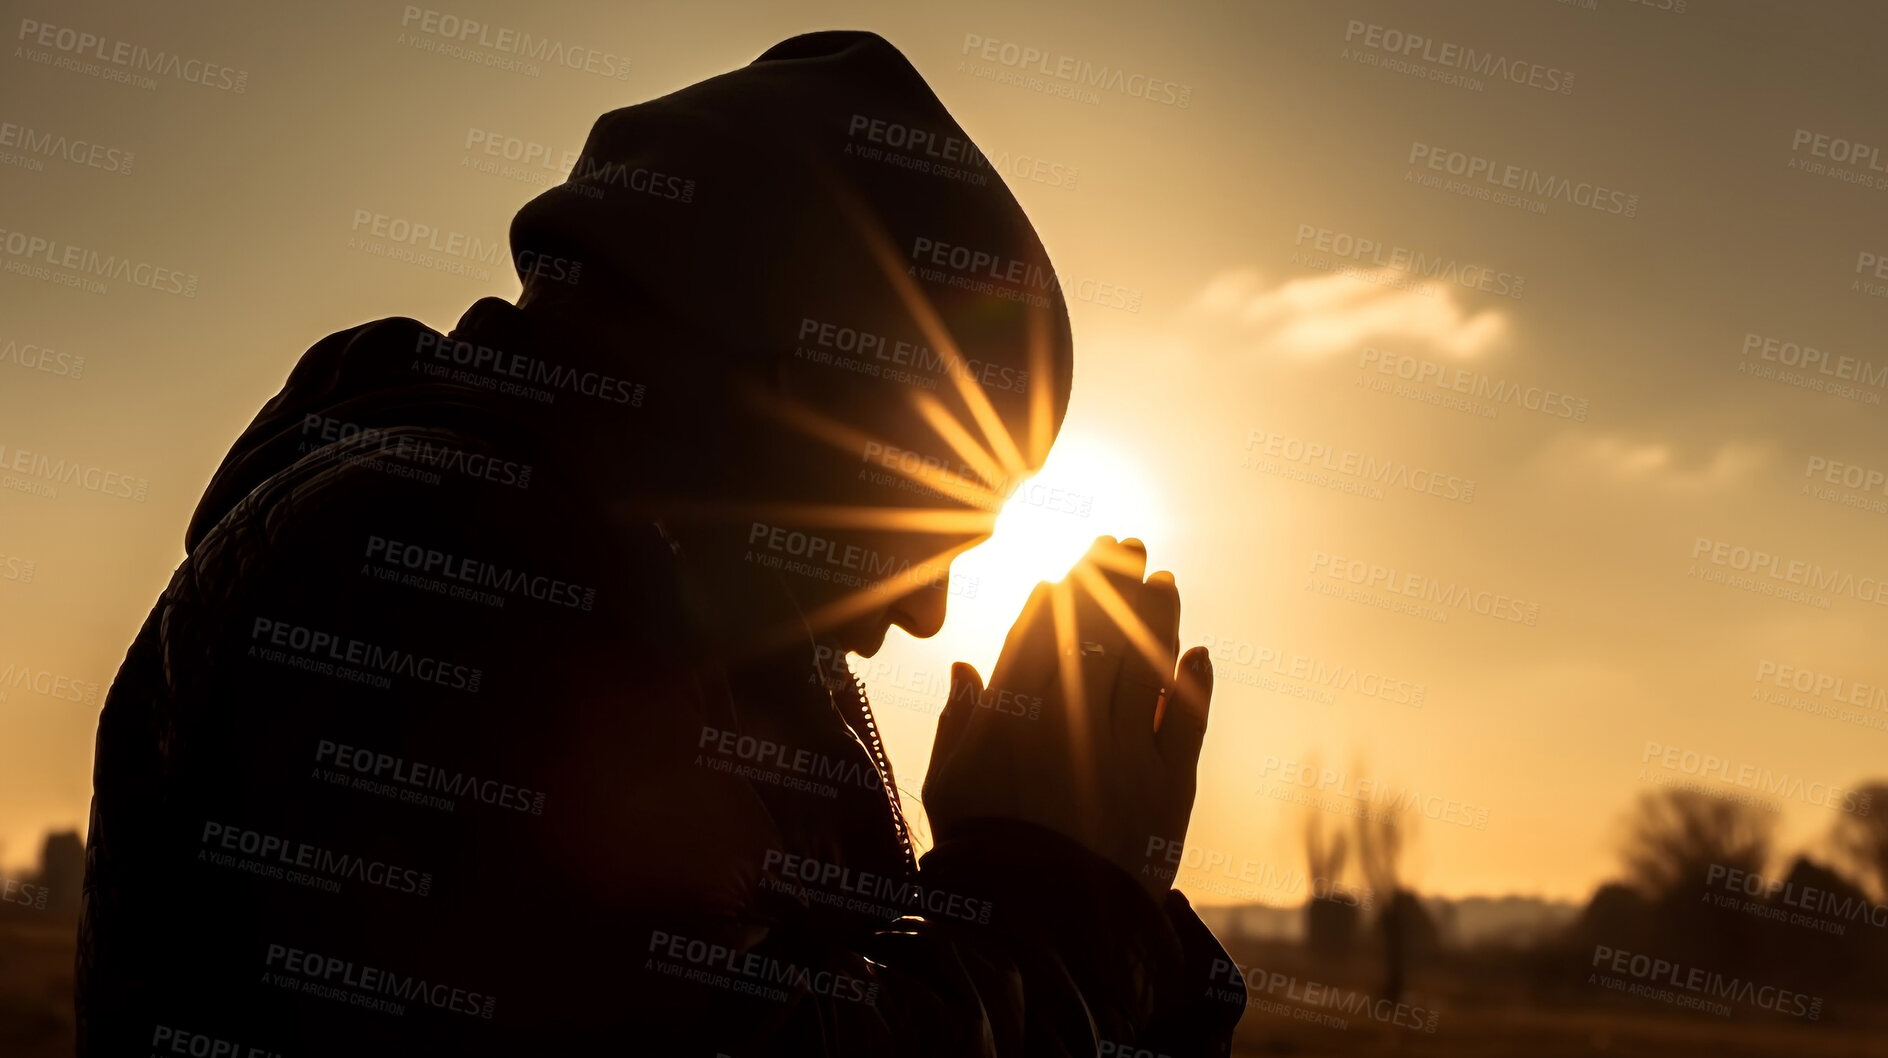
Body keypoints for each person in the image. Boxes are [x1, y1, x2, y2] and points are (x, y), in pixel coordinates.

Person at [76, 30, 1243, 1056]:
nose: (932, 610)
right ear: (792, 403)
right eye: (931, 508)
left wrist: (1117, 919)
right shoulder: (416, 569)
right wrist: (1045, 896)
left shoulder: (729, 648)